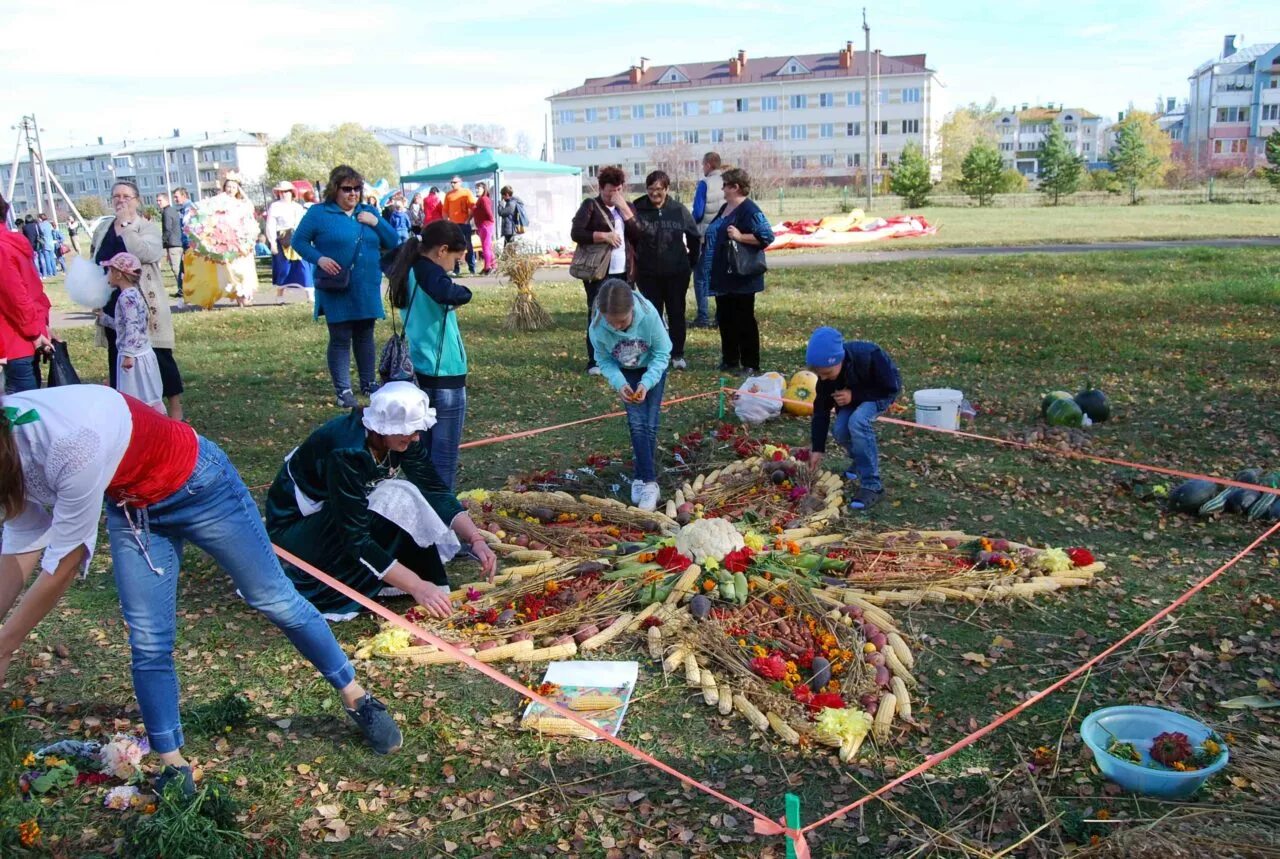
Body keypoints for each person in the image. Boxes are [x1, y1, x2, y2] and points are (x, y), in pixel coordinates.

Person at [0, 386, 407, 796]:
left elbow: (63, 564)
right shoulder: (11, 448)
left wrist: (4, 646)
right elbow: (21, 539)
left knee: (273, 597)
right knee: (148, 639)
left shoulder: (74, 445)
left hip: (201, 485)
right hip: (133, 508)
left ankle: (355, 694)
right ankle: (172, 764)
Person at [266, 382, 497, 621]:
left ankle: (395, 574)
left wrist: (475, 539)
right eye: (411, 430)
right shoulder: (347, 451)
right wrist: (416, 585)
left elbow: (433, 489)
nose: (417, 437)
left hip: (340, 512)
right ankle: (363, 577)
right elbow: (355, 537)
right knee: (395, 494)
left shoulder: (397, 438)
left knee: (404, 493)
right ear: (386, 427)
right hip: (294, 530)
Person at [292, 164, 400, 408]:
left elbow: (393, 241)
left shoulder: (368, 211)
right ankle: (343, 390)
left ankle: (368, 383)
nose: (353, 194)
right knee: (340, 336)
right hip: (336, 286)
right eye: (347, 189)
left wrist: (376, 222)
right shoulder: (319, 213)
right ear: (335, 189)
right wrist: (319, 258)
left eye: (357, 189)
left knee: (365, 334)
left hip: (366, 285)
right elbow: (299, 241)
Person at [383, 221, 472, 491]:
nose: (454, 266)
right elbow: (448, 293)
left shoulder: (407, 266)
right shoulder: (429, 273)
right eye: (456, 259)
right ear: (442, 250)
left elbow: (387, 256)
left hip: (420, 369)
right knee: (443, 456)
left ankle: (422, 508)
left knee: (425, 454)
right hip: (444, 372)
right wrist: (464, 292)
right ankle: (441, 520)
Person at [91, 180, 184, 421]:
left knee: (159, 354)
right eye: (116, 197)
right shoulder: (104, 228)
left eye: (126, 196)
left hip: (143, 302)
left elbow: (147, 253)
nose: (120, 200)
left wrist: (127, 227)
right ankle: (130, 411)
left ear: (137, 200)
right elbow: (96, 258)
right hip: (113, 299)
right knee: (119, 353)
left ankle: (174, 408)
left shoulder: (146, 227)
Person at [588, 279, 671, 512]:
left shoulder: (649, 317)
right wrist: (620, 383)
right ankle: (649, 482)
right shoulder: (597, 328)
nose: (616, 328)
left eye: (622, 322)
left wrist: (647, 383)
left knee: (650, 424)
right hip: (625, 373)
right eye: (611, 323)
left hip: (651, 370)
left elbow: (663, 353)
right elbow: (603, 359)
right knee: (637, 424)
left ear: (632, 310)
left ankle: (641, 476)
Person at [805, 326, 902, 511]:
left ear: (839, 359)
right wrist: (817, 448)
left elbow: (889, 387)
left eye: (827, 373)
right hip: (853, 394)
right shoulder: (826, 379)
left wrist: (854, 395)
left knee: (857, 422)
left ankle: (872, 486)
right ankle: (860, 461)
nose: (824, 379)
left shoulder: (869, 356)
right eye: (820, 374)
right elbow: (821, 412)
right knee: (840, 430)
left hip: (878, 393)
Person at [698, 167, 774, 375]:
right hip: (724, 276)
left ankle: (750, 363)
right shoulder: (725, 208)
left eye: (725, 185)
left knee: (744, 319)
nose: (722, 189)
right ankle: (730, 359)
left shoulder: (749, 210)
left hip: (742, 276)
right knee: (725, 317)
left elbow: (767, 236)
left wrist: (741, 237)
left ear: (736, 187)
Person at [569, 166, 640, 375]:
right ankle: (595, 360)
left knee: (625, 313)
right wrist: (603, 236)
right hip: (599, 272)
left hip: (624, 271)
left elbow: (638, 234)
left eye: (618, 190)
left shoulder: (627, 207)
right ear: (601, 188)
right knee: (598, 314)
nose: (614, 194)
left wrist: (626, 211)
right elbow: (576, 232)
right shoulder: (590, 205)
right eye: (610, 190)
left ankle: (623, 356)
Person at [632, 170, 699, 371]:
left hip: (676, 272)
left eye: (659, 189)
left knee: (676, 312)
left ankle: (677, 353)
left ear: (667, 189)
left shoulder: (678, 209)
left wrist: (690, 263)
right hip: (647, 273)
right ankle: (654, 353)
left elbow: (694, 236)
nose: (654, 194)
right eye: (651, 189)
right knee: (651, 314)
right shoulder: (637, 207)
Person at [96, 252, 165, 413]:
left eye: (110, 271)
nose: (108, 276)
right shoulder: (135, 294)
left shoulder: (126, 298)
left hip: (134, 359)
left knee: (137, 400)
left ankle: (147, 427)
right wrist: (104, 318)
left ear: (119, 274)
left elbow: (132, 326)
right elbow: (127, 325)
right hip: (142, 353)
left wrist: (128, 355)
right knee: (148, 396)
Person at [0, 192, 52, 393]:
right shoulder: (12, 244)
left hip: (14, 343)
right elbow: (34, 292)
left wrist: (35, 331)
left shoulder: (3, 249)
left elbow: (15, 298)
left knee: (21, 416)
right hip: (25, 339)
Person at [209, 173, 259, 307]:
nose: (230, 189)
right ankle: (238, 296)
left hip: (242, 241)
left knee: (244, 269)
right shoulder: (220, 203)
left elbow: (250, 207)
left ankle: (246, 296)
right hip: (227, 242)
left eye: (233, 187)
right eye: (228, 187)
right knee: (231, 270)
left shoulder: (241, 204)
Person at [690, 152, 725, 328]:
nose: (702, 168)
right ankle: (721, 317)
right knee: (719, 276)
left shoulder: (705, 184)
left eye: (703, 164)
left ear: (709, 165)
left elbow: (698, 213)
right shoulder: (727, 182)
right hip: (723, 236)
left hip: (705, 236)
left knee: (700, 277)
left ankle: (702, 316)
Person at [264, 180, 312, 299]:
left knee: (303, 266)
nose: (283, 194)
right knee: (283, 268)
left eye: (286, 191)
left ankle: (310, 295)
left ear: (292, 192)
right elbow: (270, 225)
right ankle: (280, 295)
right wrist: (273, 242)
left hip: (298, 239)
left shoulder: (297, 207)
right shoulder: (275, 206)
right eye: (281, 192)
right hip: (283, 240)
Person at [442, 176, 476, 276]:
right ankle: (456, 269)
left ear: (460, 182)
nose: (453, 184)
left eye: (455, 182)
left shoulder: (466, 192)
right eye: (451, 182)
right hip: (453, 225)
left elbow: (473, 207)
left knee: (468, 245)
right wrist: (446, 221)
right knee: (454, 246)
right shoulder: (448, 195)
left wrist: (468, 219)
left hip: (464, 224)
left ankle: (472, 268)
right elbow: (445, 210)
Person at [156, 192, 183, 289]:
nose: (158, 203)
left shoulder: (166, 212)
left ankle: (182, 290)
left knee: (176, 269)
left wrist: (162, 243)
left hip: (173, 245)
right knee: (180, 269)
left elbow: (167, 229)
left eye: (160, 200)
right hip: (179, 243)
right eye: (157, 201)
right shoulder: (173, 210)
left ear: (166, 200)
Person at [171, 187, 193, 297]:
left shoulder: (189, 208)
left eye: (176, 197)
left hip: (190, 242)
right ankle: (182, 289)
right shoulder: (183, 209)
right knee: (183, 267)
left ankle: (187, 290)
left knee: (188, 267)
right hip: (186, 242)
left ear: (184, 196)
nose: (175, 199)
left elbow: (188, 226)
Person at [471, 182, 496, 275]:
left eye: (479, 188)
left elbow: (488, 212)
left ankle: (487, 267)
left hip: (486, 225)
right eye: (476, 188)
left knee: (485, 247)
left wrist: (491, 221)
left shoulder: (484, 199)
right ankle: (493, 265)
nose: (477, 190)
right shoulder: (480, 199)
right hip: (482, 225)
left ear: (484, 189)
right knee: (487, 246)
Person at [495, 185, 527, 253]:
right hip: (509, 228)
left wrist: (500, 204)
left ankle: (509, 260)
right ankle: (508, 260)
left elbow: (502, 213)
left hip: (510, 229)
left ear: (506, 194)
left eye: (502, 196)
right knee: (508, 247)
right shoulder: (510, 202)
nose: (502, 198)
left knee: (509, 248)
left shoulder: (511, 203)